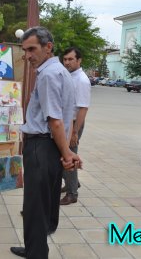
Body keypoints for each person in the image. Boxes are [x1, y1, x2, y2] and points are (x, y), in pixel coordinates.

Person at [10, 27, 82, 259]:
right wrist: (66, 151)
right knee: (43, 202)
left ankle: (36, 253)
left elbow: (55, 121)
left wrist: (67, 153)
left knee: (35, 205)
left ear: (48, 47)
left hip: (41, 146)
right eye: (25, 51)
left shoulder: (49, 75)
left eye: (32, 49)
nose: (28, 55)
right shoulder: (59, 72)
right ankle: (35, 247)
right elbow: (64, 116)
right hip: (47, 147)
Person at [59, 47, 90, 206]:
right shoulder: (69, 76)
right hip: (66, 123)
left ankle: (72, 194)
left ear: (79, 60)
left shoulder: (82, 80)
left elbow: (83, 108)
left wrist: (74, 132)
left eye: (71, 59)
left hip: (73, 125)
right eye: (65, 59)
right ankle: (73, 183)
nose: (67, 62)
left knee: (68, 156)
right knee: (63, 155)